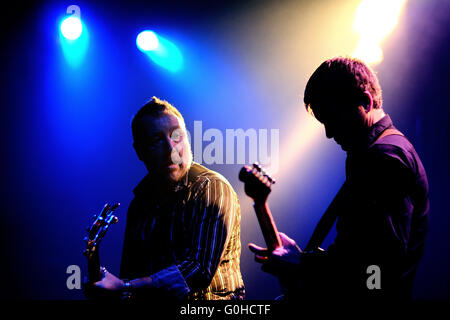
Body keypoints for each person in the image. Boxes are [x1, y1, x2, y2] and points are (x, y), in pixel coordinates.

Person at [248, 57, 429, 301]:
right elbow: (358, 253)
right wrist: (304, 259)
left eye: (333, 119)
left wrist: (303, 264)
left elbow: (379, 271)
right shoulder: (368, 153)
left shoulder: (386, 157)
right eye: (324, 123)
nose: (329, 133)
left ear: (365, 102)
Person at [91, 97, 245, 300]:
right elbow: (132, 275)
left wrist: (126, 286)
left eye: (177, 136)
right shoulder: (139, 204)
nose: (170, 149)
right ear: (140, 152)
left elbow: (198, 271)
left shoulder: (211, 188)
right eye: (156, 141)